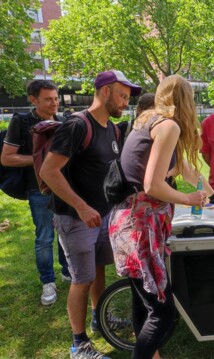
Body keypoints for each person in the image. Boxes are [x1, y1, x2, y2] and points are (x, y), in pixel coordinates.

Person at [109, 74, 214, 359]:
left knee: (145, 304)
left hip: (128, 222)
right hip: (140, 227)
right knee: (165, 314)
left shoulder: (149, 119)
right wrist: (188, 199)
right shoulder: (167, 126)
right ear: (187, 101)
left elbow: (186, 170)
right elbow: (152, 185)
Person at [39, 70, 141, 358]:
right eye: (122, 95)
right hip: (75, 218)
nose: (125, 102)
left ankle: (99, 318)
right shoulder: (77, 125)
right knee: (81, 279)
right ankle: (78, 344)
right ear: (106, 91)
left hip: (102, 216)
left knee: (98, 270)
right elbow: (49, 170)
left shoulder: (109, 127)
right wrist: (81, 207)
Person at [1, 80, 70, 306]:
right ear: (33, 99)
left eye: (56, 98)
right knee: (44, 237)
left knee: (65, 231)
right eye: (48, 99)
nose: (54, 103)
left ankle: (67, 271)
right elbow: (7, 157)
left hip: (65, 187)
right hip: (38, 189)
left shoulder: (63, 120)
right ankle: (47, 282)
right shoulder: (22, 121)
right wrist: (41, 160)